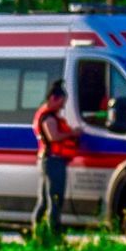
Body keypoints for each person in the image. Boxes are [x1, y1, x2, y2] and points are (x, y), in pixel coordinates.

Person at [31, 79, 79, 237]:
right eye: (62, 102)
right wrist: (73, 134)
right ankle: (53, 233)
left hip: (48, 160)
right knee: (55, 198)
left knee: (45, 200)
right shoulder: (48, 118)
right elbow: (54, 136)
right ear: (53, 98)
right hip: (53, 161)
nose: (63, 106)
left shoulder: (47, 114)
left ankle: (38, 232)